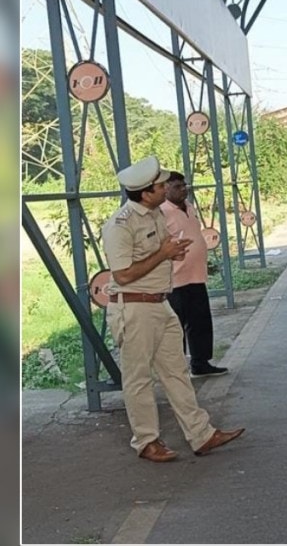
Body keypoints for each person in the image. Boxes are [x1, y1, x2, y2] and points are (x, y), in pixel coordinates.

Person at [101, 156, 244, 462]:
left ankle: (201, 434)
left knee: (176, 371)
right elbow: (123, 274)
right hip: (134, 308)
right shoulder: (119, 225)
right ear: (146, 192)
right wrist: (163, 253)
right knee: (138, 379)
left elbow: (158, 253)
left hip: (159, 303)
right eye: (161, 185)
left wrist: (171, 255)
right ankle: (146, 441)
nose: (166, 188)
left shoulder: (153, 215)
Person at [160, 172, 227, 378]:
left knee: (200, 321)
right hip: (175, 279)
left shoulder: (188, 206)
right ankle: (177, 369)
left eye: (184, 186)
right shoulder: (161, 213)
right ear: (166, 188)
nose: (183, 189)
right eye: (178, 186)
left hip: (196, 276)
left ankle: (201, 362)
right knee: (176, 326)